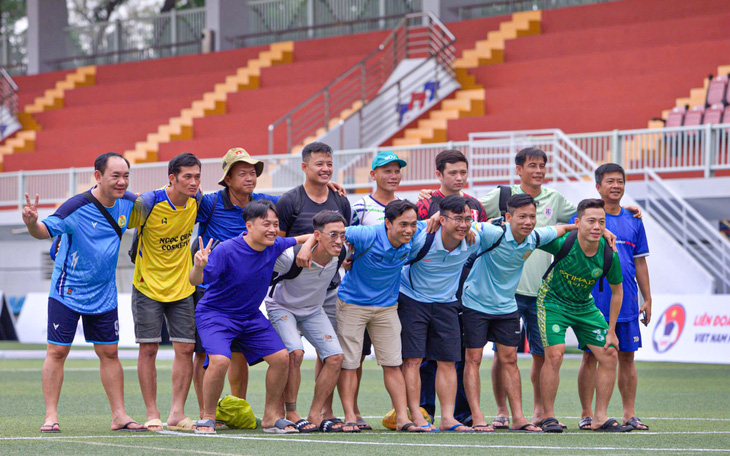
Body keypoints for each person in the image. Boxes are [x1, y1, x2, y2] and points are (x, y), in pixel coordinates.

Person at [22, 152, 146, 433]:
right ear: (98, 176)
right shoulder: (75, 207)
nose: (121, 181)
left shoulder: (130, 203)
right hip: (67, 291)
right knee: (57, 352)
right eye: (115, 175)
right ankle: (51, 416)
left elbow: (156, 205)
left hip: (104, 293)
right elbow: (43, 230)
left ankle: (119, 415)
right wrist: (31, 222)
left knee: (110, 353)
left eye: (126, 176)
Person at [189, 200, 311, 435]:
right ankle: (207, 417)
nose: (273, 229)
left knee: (281, 357)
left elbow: (302, 238)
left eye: (276, 224)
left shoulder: (273, 245)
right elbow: (195, 281)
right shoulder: (226, 250)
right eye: (267, 224)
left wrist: (312, 242)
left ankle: (270, 417)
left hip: (250, 317)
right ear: (249, 226)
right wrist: (198, 266)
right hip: (215, 315)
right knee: (221, 361)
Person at [461, 194, 579, 433]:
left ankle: (518, 418)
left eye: (532, 216)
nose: (528, 221)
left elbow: (561, 228)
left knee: (510, 360)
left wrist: (597, 230)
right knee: (473, 360)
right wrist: (465, 228)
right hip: (475, 304)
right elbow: (467, 225)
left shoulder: (534, 237)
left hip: (506, 307)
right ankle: (477, 417)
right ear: (508, 217)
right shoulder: (493, 233)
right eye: (522, 216)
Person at [191, 148, 278, 416]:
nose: (250, 178)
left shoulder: (264, 202)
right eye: (243, 173)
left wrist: (329, 188)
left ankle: (236, 408)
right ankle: (207, 411)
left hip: (242, 294)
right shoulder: (210, 203)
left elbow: (300, 201)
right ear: (227, 178)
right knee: (204, 354)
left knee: (239, 353)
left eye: (253, 172)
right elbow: (178, 197)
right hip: (209, 290)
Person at [537, 198, 631, 433]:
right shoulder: (563, 243)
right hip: (552, 303)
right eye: (591, 221)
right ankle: (548, 416)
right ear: (578, 222)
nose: (597, 227)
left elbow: (618, 292)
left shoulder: (609, 255)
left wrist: (611, 331)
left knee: (609, 354)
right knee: (555, 355)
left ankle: (599, 418)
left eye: (602, 222)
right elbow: (534, 236)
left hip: (584, 306)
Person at [276, 141, 351, 428]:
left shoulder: (339, 198)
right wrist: (307, 243)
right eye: (319, 164)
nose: (326, 169)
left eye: (329, 164)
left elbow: (342, 236)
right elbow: (277, 243)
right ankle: (289, 411)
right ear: (304, 167)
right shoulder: (289, 201)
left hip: (328, 288)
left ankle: (323, 412)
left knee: (329, 352)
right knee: (293, 354)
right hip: (292, 286)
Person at [336, 199, 427, 433]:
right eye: (403, 224)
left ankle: (403, 420)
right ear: (387, 223)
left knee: (393, 364)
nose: (409, 230)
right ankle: (349, 417)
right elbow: (332, 232)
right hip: (352, 304)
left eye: (413, 224)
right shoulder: (366, 234)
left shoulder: (416, 234)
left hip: (387, 307)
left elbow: (439, 223)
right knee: (349, 364)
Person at [400, 194, 487, 432]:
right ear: (442, 220)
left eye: (467, 219)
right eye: (457, 219)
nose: (463, 225)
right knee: (413, 361)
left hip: (447, 303)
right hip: (412, 300)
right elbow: (395, 234)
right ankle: (416, 416)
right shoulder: (421, 237)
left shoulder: (473, 239)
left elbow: (498, 227)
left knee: (448, 361)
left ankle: (448, 418)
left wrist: (466, 224)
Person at [577, 163, 652, 431]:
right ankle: (588, 414)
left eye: (620, 181)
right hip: (595, 300)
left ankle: (629, 414)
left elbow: (640, 262)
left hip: (628, 299)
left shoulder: (634, 220)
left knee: (627, 356)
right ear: (598, 186)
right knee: (590, 357)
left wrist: (647, 297)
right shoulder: (590, 217)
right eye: (610, 181)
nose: (616, 186)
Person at [131, 152, 202, 432]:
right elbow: (117, 214)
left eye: (197, 176)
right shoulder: (149, 202)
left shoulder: (198, 201)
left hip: (183, 286)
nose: (194, 182)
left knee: (186, 348)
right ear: (172, 178)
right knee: (148, 348)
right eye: (188, 176)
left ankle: (176, 413)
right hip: (147, 285)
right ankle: (152, 413)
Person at [416, 148, 486, 425]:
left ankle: (461, 413)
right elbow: (412, 235)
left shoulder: (476, 205)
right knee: (424, 355)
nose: (459, 178)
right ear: (439, 175)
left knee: (457, 352)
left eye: (463, 172)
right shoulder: (426, 203)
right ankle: (424, 410)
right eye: (452, 173)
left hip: (466, 287)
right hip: (426, 289)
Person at [266, 211, 347, 432]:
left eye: (342, 235)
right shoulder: (290, 258)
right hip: (281, 307)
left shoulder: (341, 252)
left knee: (335, 357)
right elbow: (260, 265)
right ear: (318, 235)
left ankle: (315, 413)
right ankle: (291, 412)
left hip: (313, 310)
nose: (339, 241)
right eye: (333, 235)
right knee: (296, 354)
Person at [349, 150, 406, 430]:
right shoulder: (360, 206)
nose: (393, 175)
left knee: (396, 358)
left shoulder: (408, 207)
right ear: (373, 174)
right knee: (355, 357)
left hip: (393, 295)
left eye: (396, 170)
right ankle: (354, 412)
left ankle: (404, 414)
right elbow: (345, 242)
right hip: (357, 296)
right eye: (386, 170)